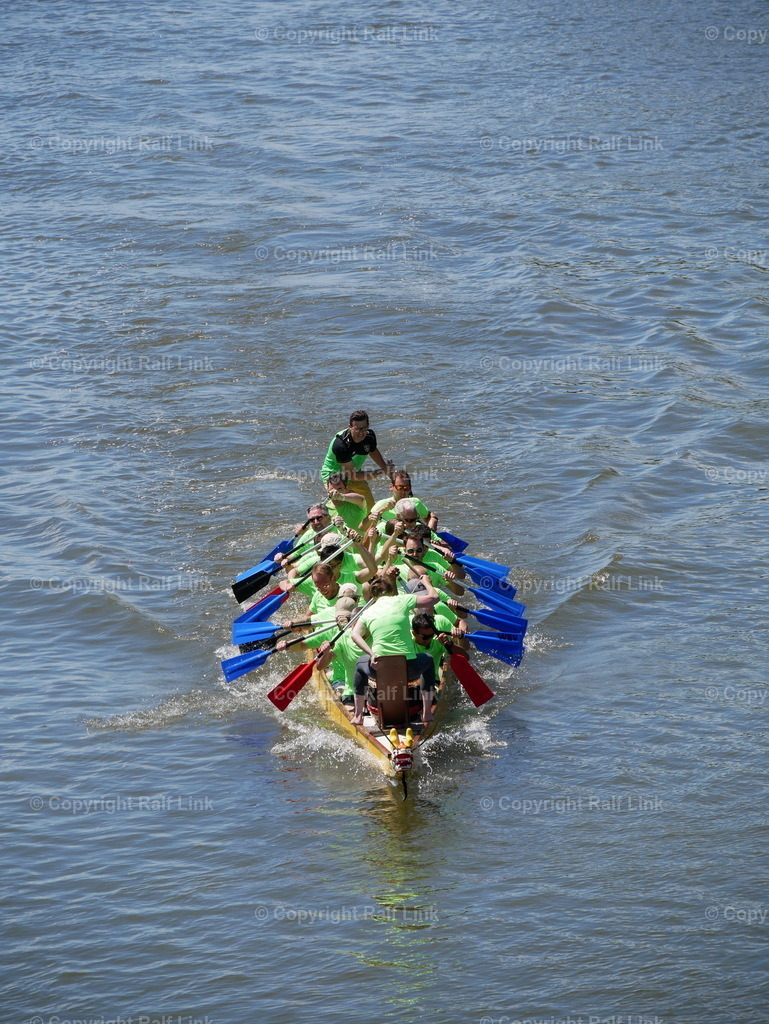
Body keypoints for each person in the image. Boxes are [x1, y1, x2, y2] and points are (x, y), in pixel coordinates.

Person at [349, 569, 439, 725]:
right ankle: (426, 714)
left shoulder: (368, 612)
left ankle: (358, 716)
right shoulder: (402, 599)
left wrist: (371, 654)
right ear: (391, 591)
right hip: (409, 668)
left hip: (379, 668)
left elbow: (354, 635)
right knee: (429, 660)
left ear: (373, 596)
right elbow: (434, 598)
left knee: (359, 664)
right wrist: (426, 582)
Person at [321, 410, 394, 510]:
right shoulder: (340, 444)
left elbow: (372, 451)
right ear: (350, 426)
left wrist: (387, 470)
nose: (361, 433)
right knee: (343, 507)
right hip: (334, 476)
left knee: (369, 508)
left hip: (354, 472)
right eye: (357, 429)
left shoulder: (370, 436)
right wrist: (382, 472)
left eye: (364, 428)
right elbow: (353, 476)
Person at [369, 470, 437, 531]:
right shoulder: (381, 505)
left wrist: (431, 528)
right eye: (399, 488)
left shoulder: (416, 503)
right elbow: (364, 526)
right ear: (391, 487)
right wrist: (381, 511)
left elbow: (429, 516)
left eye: (406, 488)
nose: (403, 492)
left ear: (410, 488)